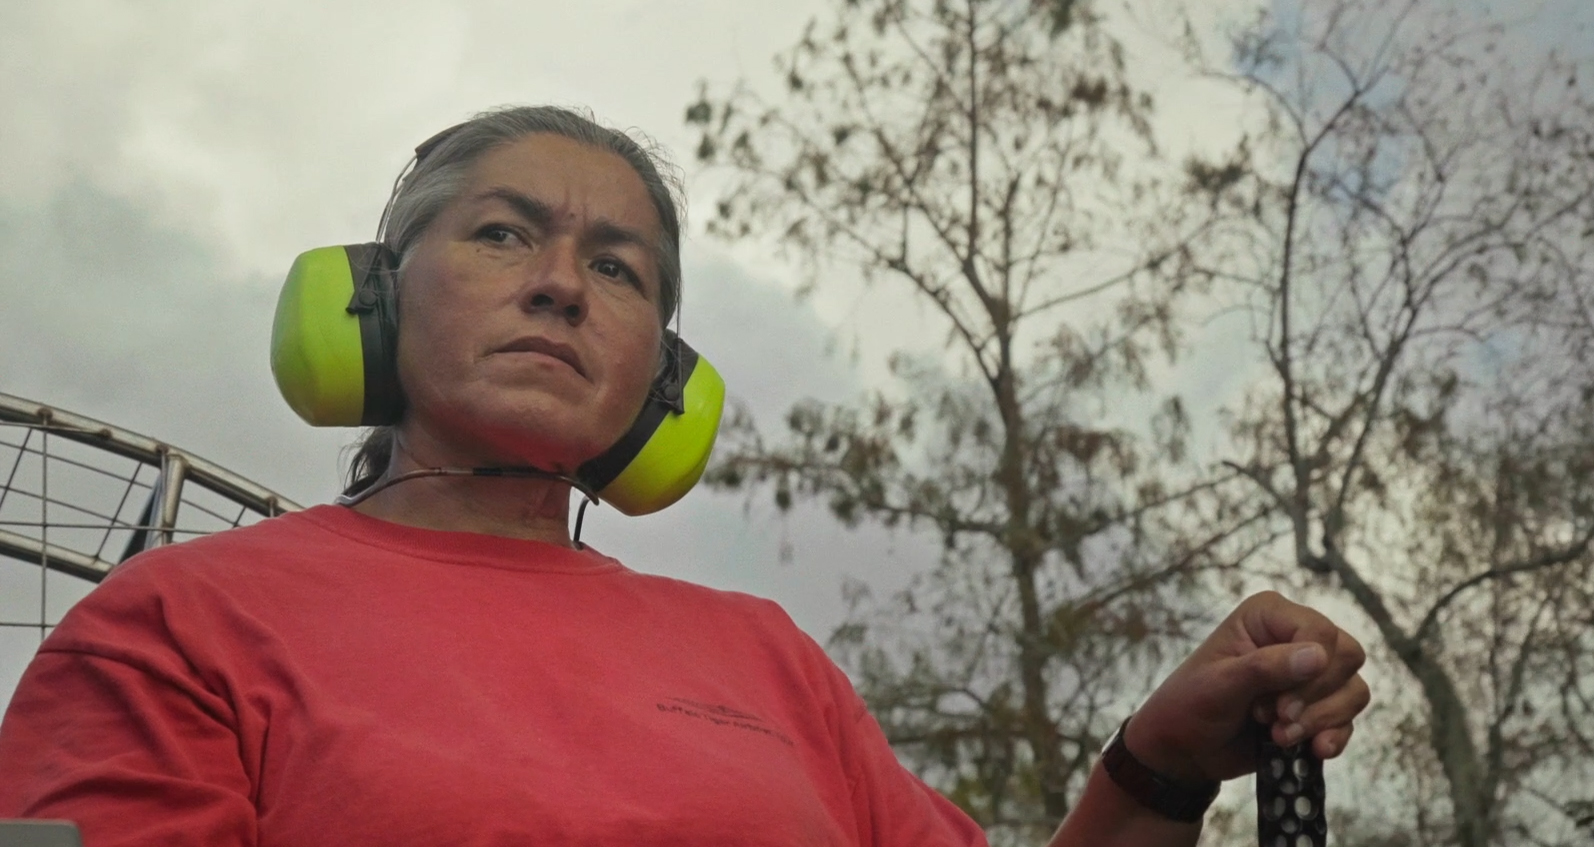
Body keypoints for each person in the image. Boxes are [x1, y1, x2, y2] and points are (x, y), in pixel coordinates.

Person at [0, 106, 1369, 847]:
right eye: (501, 234)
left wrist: (1160, 774)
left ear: (664, 374)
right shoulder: (178, 621)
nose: (556, 285)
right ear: (369, 302)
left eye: (616, 268)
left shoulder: (769, 660)